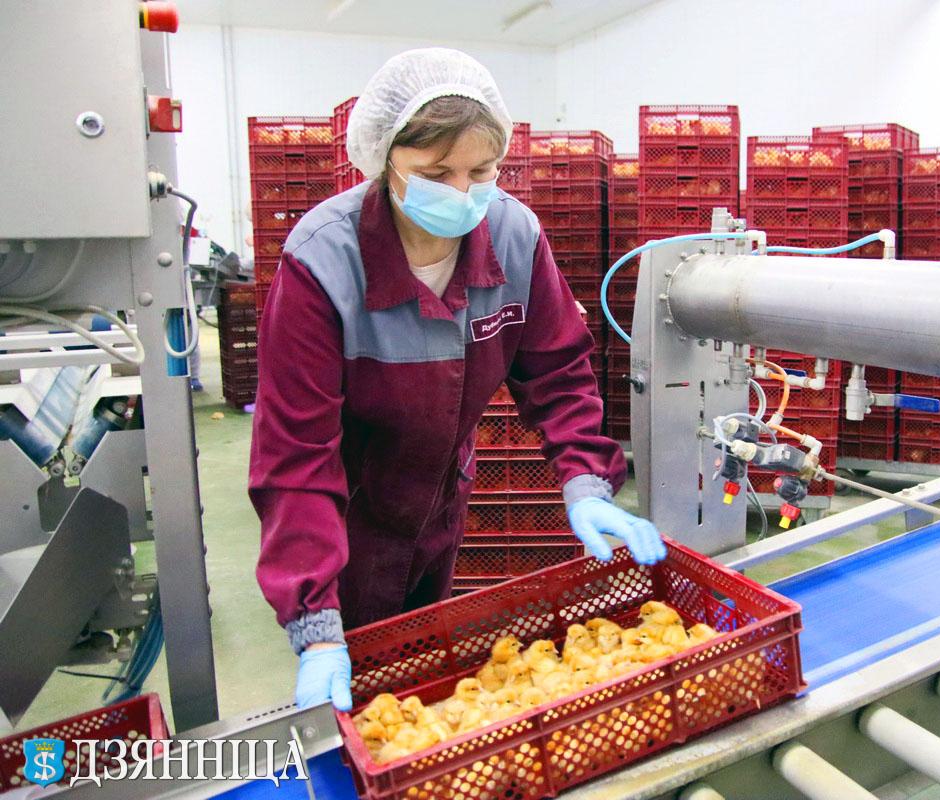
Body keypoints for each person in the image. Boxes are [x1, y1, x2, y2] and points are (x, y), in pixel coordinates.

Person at [249, 48, 665, 711]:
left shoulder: (514, 235)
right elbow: (297, 456)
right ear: (384, 159)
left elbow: (559, 371)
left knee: (417, 672)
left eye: (482, 171)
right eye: (436, 174)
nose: (463, 194)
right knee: (358, 684)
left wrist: (586, 481)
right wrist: (314, 624)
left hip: (442, 499)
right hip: (347, 517)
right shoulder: (323, 262)